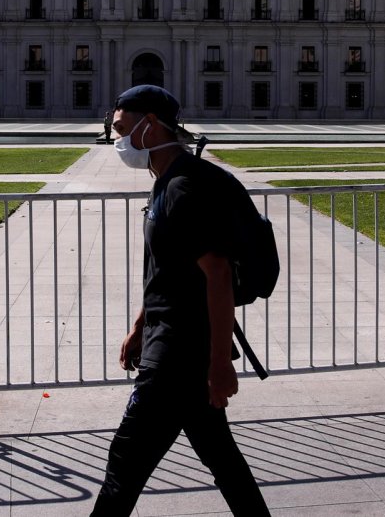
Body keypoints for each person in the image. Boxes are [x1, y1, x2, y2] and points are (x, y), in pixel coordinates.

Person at [92, 85, 269, 516]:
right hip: (172, 341)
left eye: (120, 128)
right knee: (223, 460)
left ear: (149, 125)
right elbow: (168, 268)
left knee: (124, 465)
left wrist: (219, 364)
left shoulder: (185, 189)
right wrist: (139, 326)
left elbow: (218, 275)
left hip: (177, 357)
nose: (116, 139)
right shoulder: (167, 181)